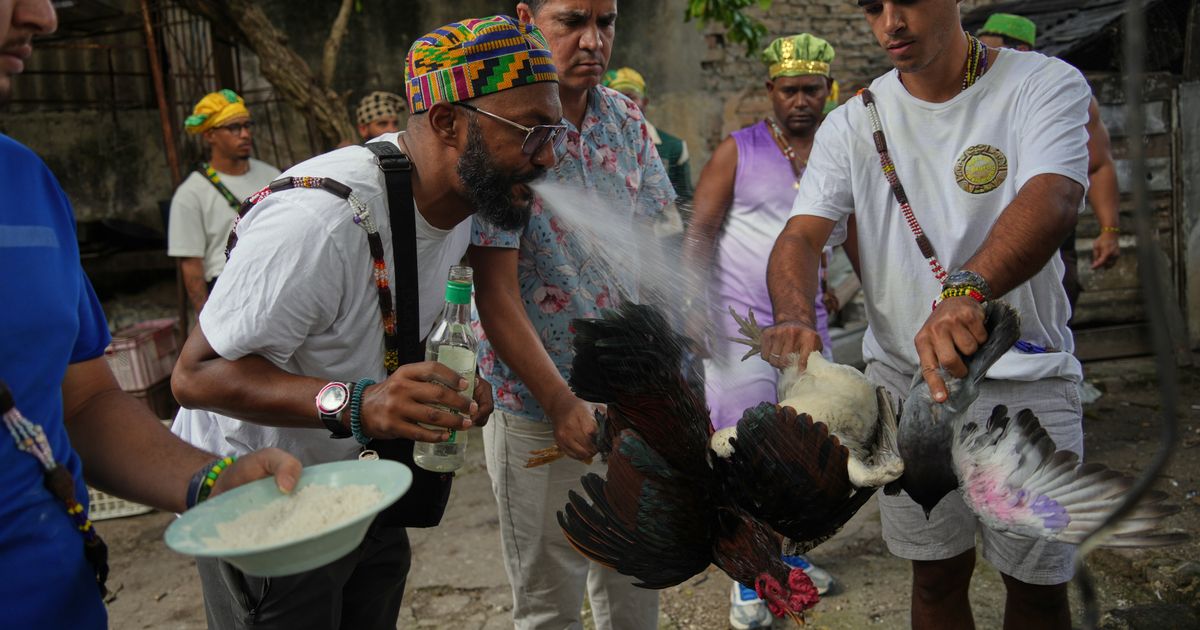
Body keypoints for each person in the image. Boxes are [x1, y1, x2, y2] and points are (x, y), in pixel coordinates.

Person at [168, 15, 562, 629]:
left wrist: (436, 385)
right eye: (532, 133)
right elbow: (196, 376)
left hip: (359, 485)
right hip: (266, 500)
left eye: (554, 133)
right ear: (447, 122)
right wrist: (360, 404)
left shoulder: (459, 201)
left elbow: (375, 324)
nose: (550, 157)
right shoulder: (319, 222)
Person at [761, 1, 1091, 629]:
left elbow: (1055, 196)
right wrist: (795, 313)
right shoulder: (853, 121)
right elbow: (802, 236)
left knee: (1038, 586)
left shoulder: (1042, 84)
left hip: (1027, 380)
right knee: (935, 578)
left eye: (906, 0)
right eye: (872, 7)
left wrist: (965, 291)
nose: (890, 22)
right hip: (906, 393)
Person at [0, 1, 301, 628]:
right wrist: (210, 327)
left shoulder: (25, 181)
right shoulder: (192, 195)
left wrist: (213, 480)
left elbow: (83, 400)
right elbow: (192, 268)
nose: (45, 16)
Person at [469, 1, 673, 628]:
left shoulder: (626, 119)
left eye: (605, 23)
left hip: (629, 401)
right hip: (536, 408)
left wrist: (664, 376)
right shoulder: (504, 130)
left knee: (636, 576)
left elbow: (654, 249)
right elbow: (495, 292)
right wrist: (560, 404)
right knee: (549, 601)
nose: (592, 41)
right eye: (571, 21)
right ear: (527, 19)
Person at [681, 32, 839, 630]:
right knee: (745, 449)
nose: (800, 100)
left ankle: (790, 559)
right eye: (789, 89)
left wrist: (833, 287)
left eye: (812, 90)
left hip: (806, 330)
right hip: (738, 328)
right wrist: (693, 306)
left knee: (805, 448)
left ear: (830, 89)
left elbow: (835, 233)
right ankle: (749, 578)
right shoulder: (738, 150)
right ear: (771, 90)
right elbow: (700, 231)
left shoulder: (836, 150)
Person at [977, 12, 1122, 309]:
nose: (982, 58)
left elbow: (1098, 165)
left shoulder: (1059, 93)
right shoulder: (967, 94)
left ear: (1020, 50)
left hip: (1049, 246)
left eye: (990, 49)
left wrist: (1109, 231)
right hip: (977, 247)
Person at [167, 90, 281, 313]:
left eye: (247, 125)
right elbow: (191, 265)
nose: (245, 134)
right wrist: (207, 319)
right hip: (228, 290)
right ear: (210, 135)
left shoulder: (272, 176)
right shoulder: (190, 194)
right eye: (234, 127)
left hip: (275, 279)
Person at [603, 66, 694, 209]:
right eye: (617, 97)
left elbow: (685, 201)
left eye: (631, 97)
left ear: (644, 103)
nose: (624, 103)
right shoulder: (598, 143)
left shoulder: (673, 147)